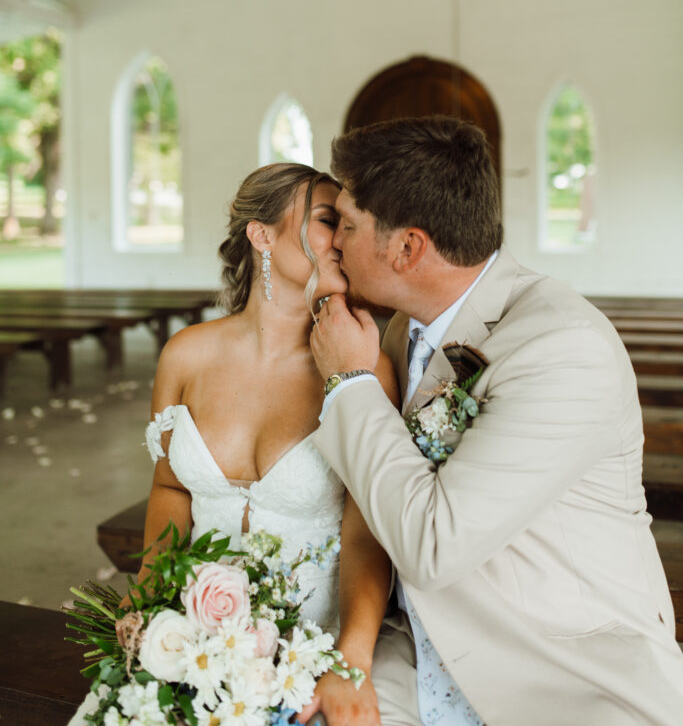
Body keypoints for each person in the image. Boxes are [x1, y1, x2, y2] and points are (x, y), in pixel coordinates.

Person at [309, 116, 683, 726]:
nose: (333, 244)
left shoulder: (564, 346)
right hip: (425, 651)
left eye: (347, 225)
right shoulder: (405, 328)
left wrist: (349, 384)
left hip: (562, 674)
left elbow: (433, 544)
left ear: (407, 247)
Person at [72, 163, 398, 726]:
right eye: (327, 220)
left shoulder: (362, 363)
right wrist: (152, 593)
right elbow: (171, 484)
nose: (345, 238)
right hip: (192, 639)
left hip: (310, 648)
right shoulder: (186, 355)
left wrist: (351, 661)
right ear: (262, 234)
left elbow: (368, 528)